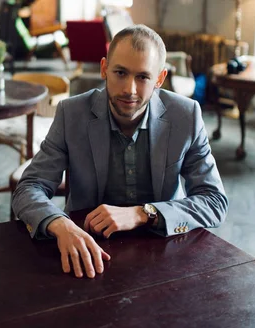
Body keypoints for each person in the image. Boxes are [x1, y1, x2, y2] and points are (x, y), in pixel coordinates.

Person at [11, 24, 228, 279]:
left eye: (143, 77)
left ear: (159, 79)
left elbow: (214, 201)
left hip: (166, 251)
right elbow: (29, 187)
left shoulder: (186, 116)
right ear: (104, 69)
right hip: (87, 249)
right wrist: (60, 225)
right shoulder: (72, 114)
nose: (130, 90)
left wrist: (143, 213)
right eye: (120, 73)